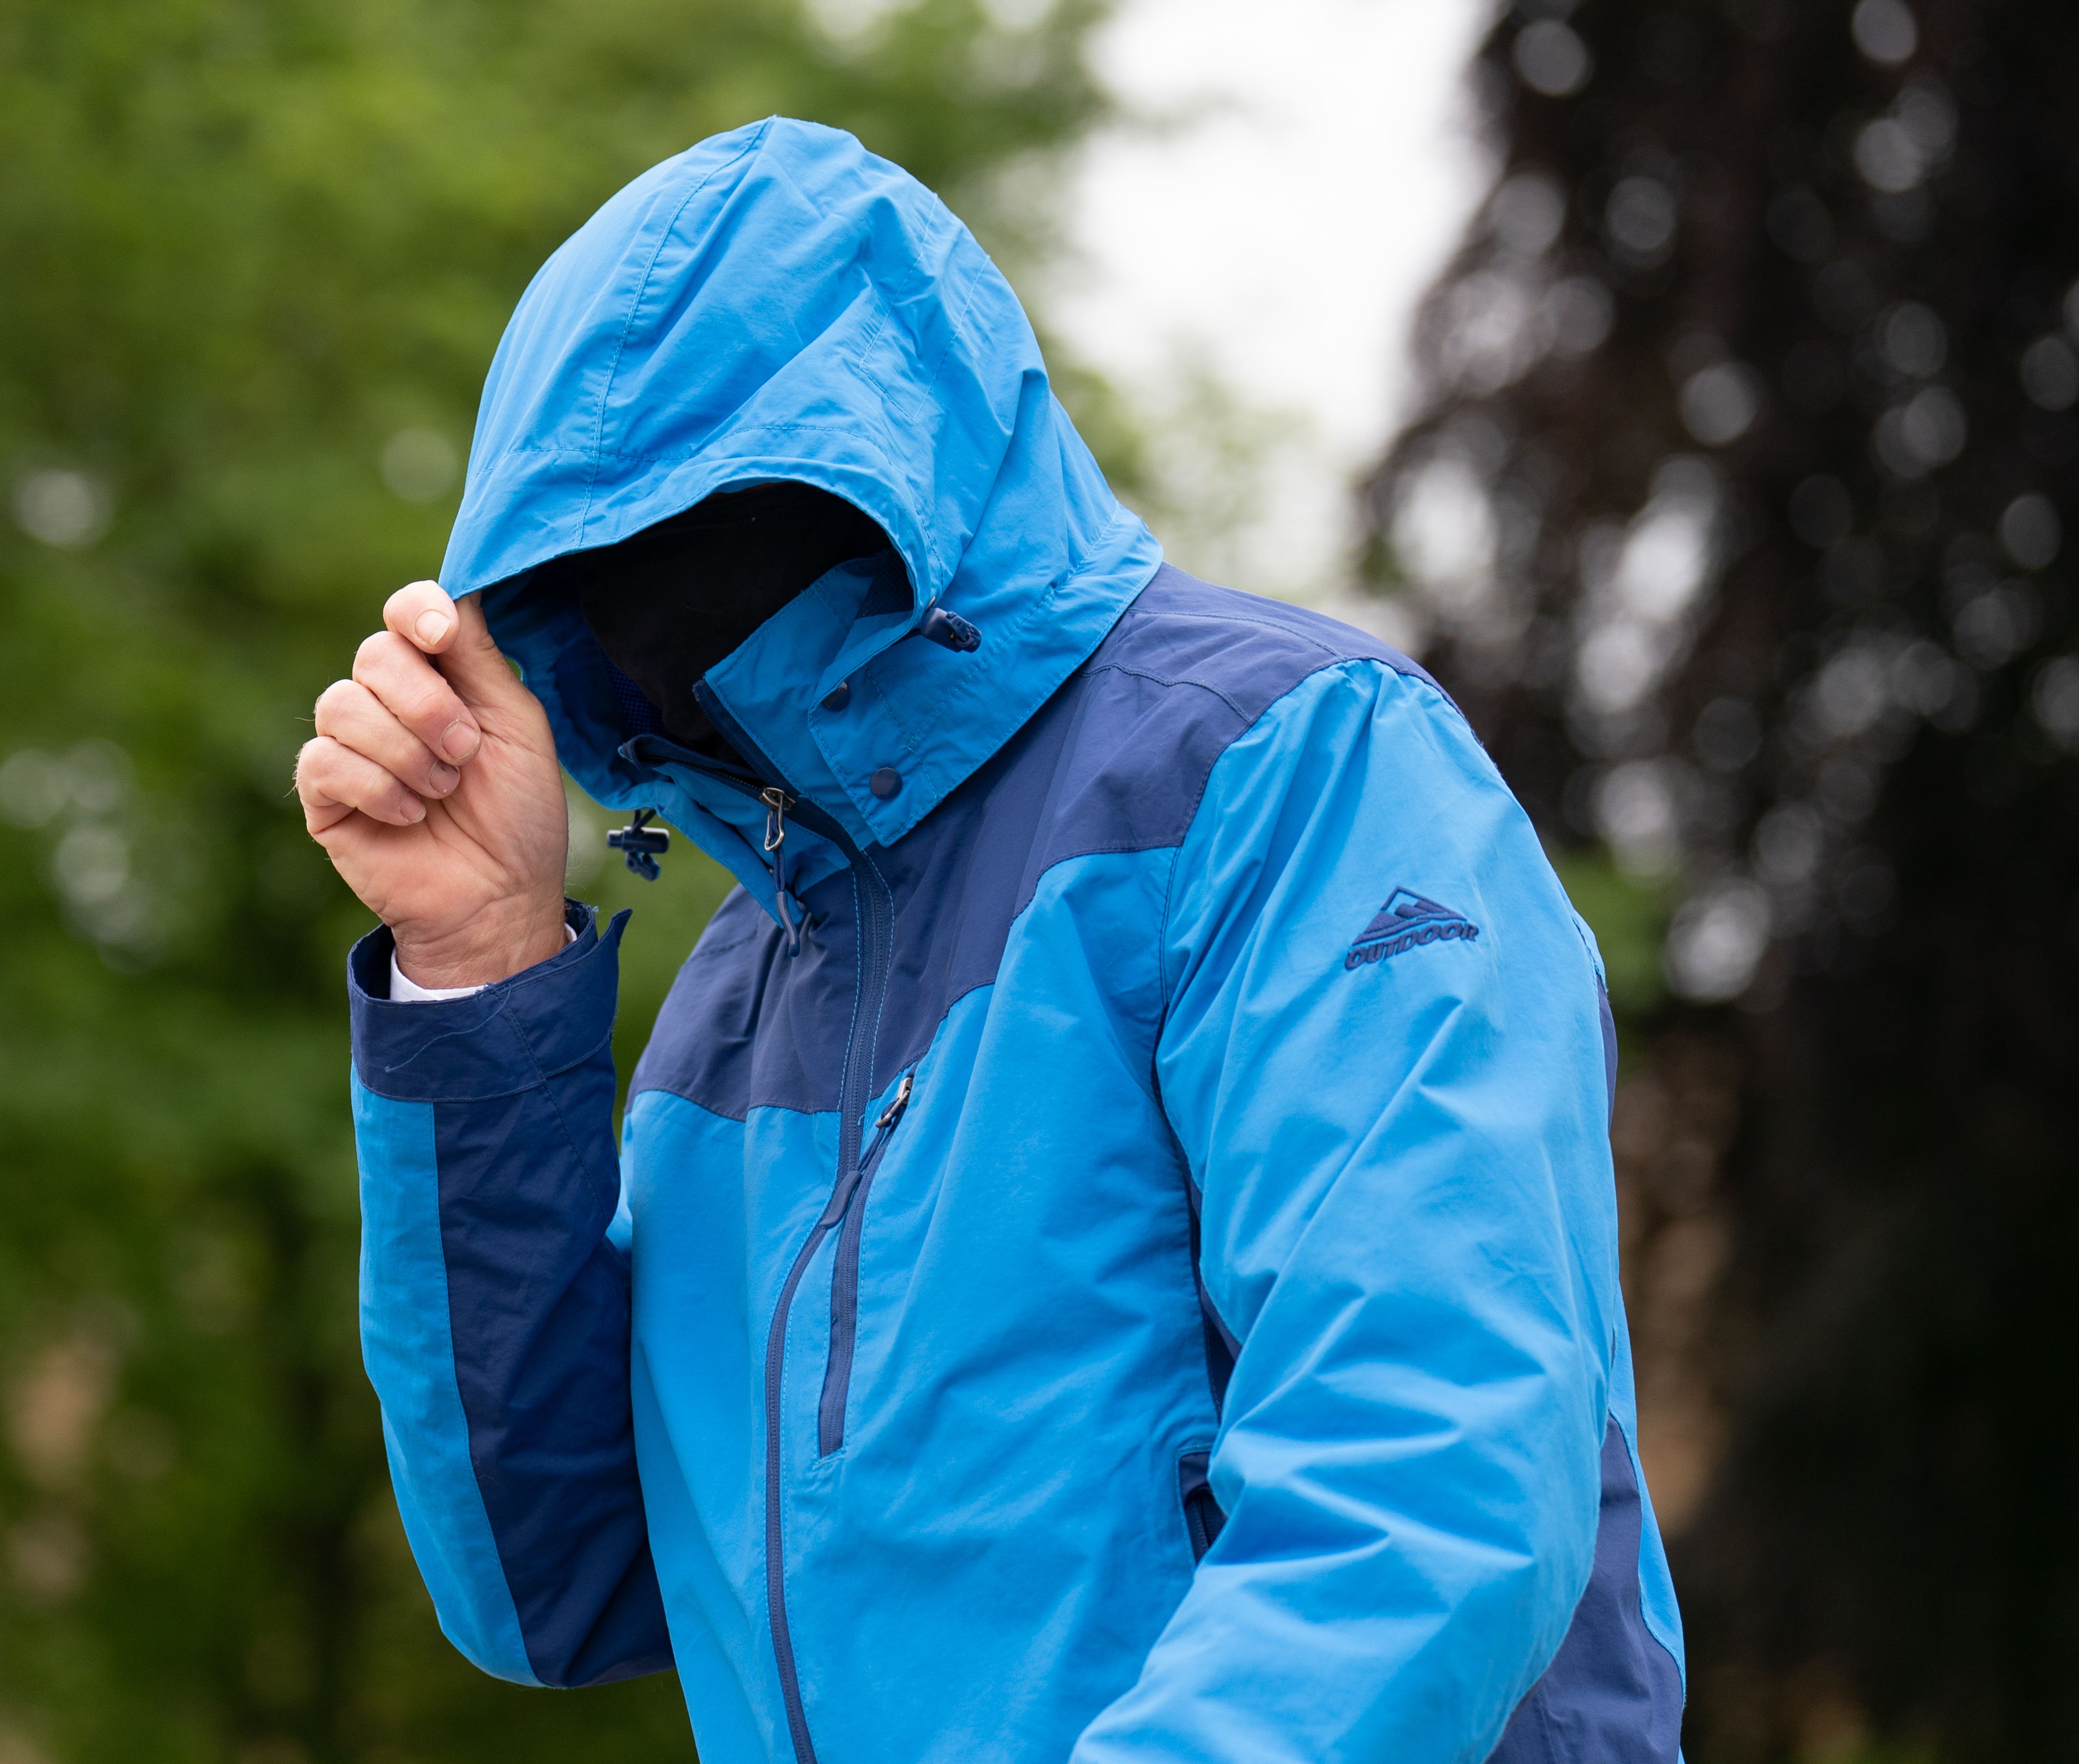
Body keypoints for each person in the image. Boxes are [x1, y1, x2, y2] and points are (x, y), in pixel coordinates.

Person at [294, 118, 1684, 1764]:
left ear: (903, 471)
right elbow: (557, 1586)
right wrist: (482, 962)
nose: (651, 613)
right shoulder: (739, 1000)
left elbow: (1427, 1481)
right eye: (591, 572)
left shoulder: (1292, 770)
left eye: (716, 527)